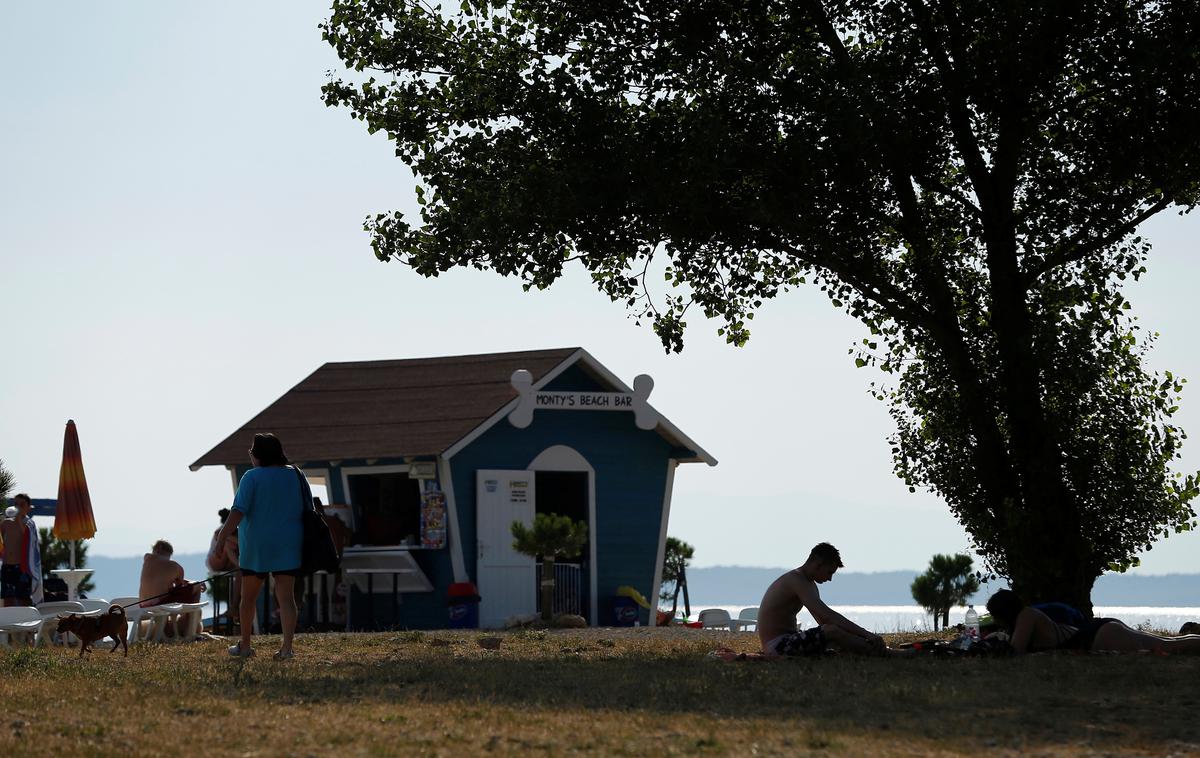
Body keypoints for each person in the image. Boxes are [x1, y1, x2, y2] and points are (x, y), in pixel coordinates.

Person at [214, 433, 306, 660]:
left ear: (258, 454)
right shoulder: (296, 474)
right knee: (286, 598)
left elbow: (238, 511)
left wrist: (223, 536)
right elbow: (307, 508)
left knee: (249, 598)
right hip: (289, 542)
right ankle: (287, 649)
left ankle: (245, 646)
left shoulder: (251, 477)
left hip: (257, 545)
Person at [757, 542, 893, 657]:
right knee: (831, 631)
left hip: (788, 640)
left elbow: (822, 621)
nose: (830, 578)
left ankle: (877, 650)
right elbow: (826, 616)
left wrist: (859, 638)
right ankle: (886, 654)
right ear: (818, 564)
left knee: (834, 635)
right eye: (829, 572)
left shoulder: (808, 584)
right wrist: (867, 634)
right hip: (777, 647)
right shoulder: (796, 580)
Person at [986, 589, 1200, 654]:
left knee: (1167, 646)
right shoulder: (1027, 615)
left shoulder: (1026, 615)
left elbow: (1015, 651)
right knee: (1166, 642)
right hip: (1101, 632)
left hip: (1099, 637)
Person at [1, 494, 40, 606]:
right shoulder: (7, 523)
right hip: (7, 566)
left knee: (24, 600)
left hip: (22, 568)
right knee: (8, 599)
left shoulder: (29, 524)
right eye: (16, 504)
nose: (18, 507)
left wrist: (18, 519)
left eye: (21, 505)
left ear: (28, 507)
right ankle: (10, 622)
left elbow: (27, 538)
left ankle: (27, 621)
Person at [207, 508, 241, 622]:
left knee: (238, 574)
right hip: (216, 561)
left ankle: (234, 606)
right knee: (227, 544)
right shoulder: (220, 532)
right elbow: (238, 542)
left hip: (230, 562)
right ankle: (240, 565)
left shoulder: (238, 532)